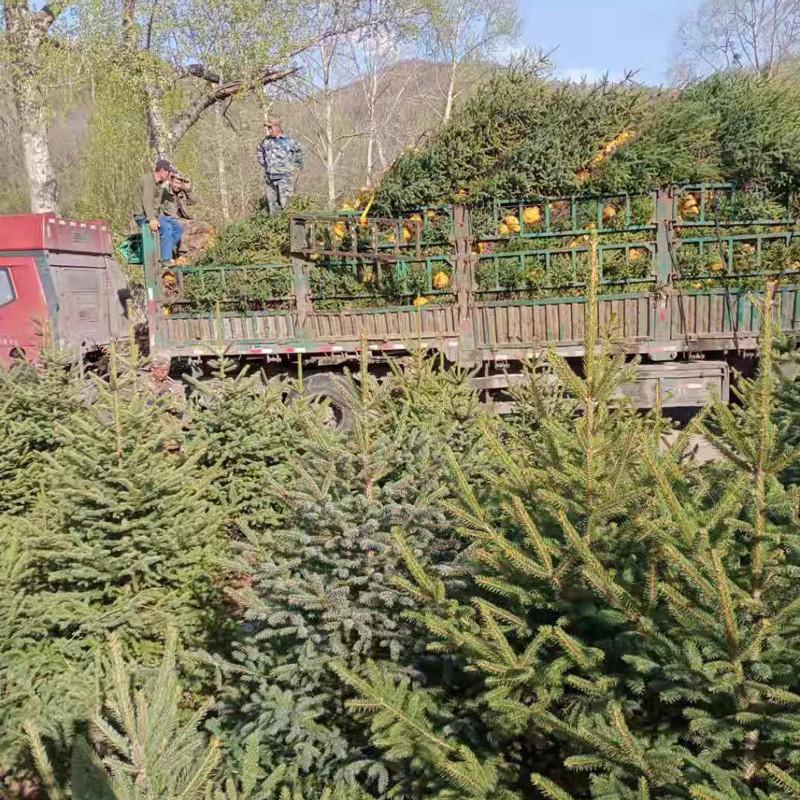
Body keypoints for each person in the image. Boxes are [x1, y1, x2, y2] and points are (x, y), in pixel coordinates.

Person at [137, 159, 184, 263]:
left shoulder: (159, 185)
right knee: (167, 227)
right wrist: (151, 219)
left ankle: (162, 251)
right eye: (168, 172)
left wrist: (181, 188)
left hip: (154, 215)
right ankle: (166, 260)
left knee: (178, 227)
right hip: (143, 216)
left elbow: (169, 200)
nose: (169, 175)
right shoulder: (148, 180)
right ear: (162, 170)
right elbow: (147, 201)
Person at [257, 118, 304, 216]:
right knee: (272, 207)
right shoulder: (266, 141)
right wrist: (263, 162)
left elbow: (299, 151)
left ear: (277, 127)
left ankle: (288, 224)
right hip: (269, 178)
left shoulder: (288, 141)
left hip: (284, 178)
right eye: (268, 128)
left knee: (286, 205)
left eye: (270, 128)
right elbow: (259, 150)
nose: (269, 130)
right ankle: (275, 224)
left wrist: (296, 166)